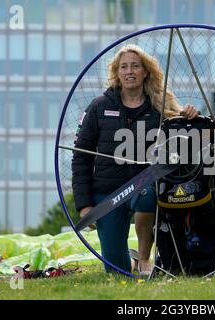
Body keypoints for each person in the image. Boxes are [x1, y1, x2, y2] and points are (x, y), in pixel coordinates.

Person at [71, 44, 199, 276]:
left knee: (149, 195)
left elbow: (183, 131)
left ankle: (143, 258)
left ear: (145, 72)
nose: (129, 71)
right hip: (107, 193)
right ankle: (129, 262)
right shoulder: (99, 106)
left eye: (135, 66)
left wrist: (189, 114)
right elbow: (81, 156)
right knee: (117, 272)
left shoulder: (159, 104)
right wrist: (85, 205)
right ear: (117, 73)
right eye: (124, 67)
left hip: (144, 185)